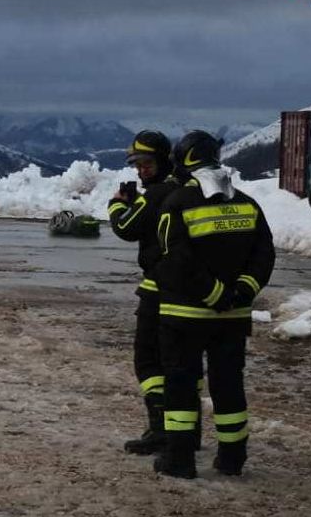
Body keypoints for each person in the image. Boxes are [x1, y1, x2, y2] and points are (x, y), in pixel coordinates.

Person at [153, 130, 274, 478]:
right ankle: (233, 458)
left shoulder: (177, 203)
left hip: (185, 316)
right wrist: (241, 291)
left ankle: (180, 460)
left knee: (179, 385)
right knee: (228, 386)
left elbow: (174, 260)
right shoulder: (248, 204)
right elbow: (264, 255)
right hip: (232, 317)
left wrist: (213, 293)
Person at [106, 130, 187, 455]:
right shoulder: (184, 190)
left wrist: (116, 205)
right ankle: (185, 431)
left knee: (149, 361)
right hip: (186, 292)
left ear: (164, 161)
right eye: (137, 164)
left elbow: (126, 228)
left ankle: (160, 428)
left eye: (147, 163)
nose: (141, 170)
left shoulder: (155, 196)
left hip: (158, 291)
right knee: (181, 364)